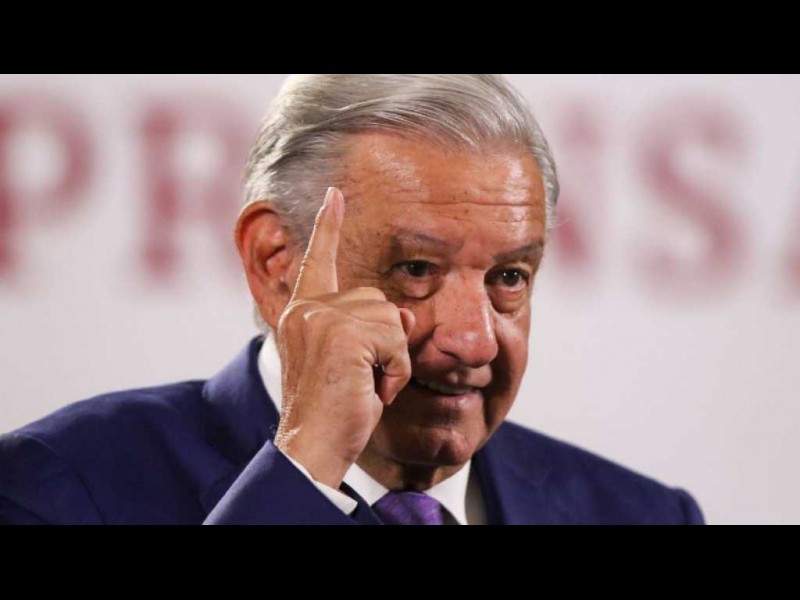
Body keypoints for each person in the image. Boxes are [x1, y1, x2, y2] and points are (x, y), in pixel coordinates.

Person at [0, 74, 706, 525]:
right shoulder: (56, 488)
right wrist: (303, 468)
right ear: (276, 261)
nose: (472, 340)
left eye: (509, 278)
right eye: (416, 268)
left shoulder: (642, 515)